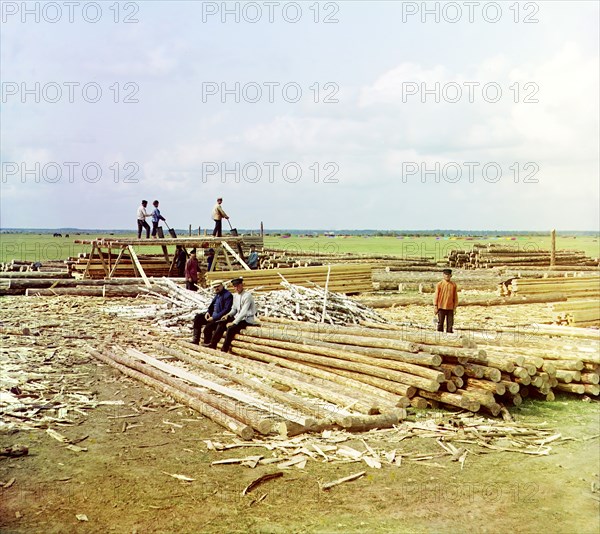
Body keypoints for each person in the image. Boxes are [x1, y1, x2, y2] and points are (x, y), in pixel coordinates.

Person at [210, 277, 257, 352]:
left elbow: (243, 312)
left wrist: (234, 322)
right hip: (238, 318)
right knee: (222, 323)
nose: (237, 288)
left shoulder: (247, 296)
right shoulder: (235, 296)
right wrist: (228, 315)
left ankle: (224, 349)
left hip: (247, 319)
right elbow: (234, 309)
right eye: (235, 286)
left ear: (242, 285)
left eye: (238, 286)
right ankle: (213, 344)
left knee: (231, 329)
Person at [191, 280, 233, 345]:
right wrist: (208, 312)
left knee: (207, 328)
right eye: (215, 287)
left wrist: (214, 317)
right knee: (198, 318)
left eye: (218, 286)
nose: (216, 288)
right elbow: (211, 306)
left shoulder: (228, 295)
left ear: (222, 285)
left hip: (220, 318)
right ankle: (196, 339)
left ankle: (207, 343)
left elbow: (226, 309)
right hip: (213, 316)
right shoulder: (217, 295)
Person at [434, 268, 458, 333]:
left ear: (451, 276)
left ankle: (449, 339)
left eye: (448, 275)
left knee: (450, 325)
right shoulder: (439, 284)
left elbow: (455, 296)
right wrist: (435, 306)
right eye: (445, 274)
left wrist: (455, 307)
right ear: (443, 275)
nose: (447, 276)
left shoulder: (453, 285)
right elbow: (436, 296)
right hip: (441, 306)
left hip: (450, 307)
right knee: (440, 324)